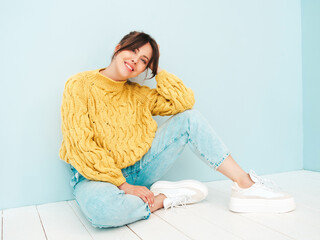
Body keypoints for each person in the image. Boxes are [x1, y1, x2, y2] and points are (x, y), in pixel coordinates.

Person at [59, 31, 295, 229]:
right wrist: (123, 186)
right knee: (103, 212)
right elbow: (81, 144)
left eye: (143, 60)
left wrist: (158, 68)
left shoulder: (139, 95)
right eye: (132, 51)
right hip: (94, 177)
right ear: (119, 48)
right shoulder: (79, 84)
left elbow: (184, 102)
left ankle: (245, 184)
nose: (135, 60)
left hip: (139, 169)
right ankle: (163, 199)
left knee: (190, 119)